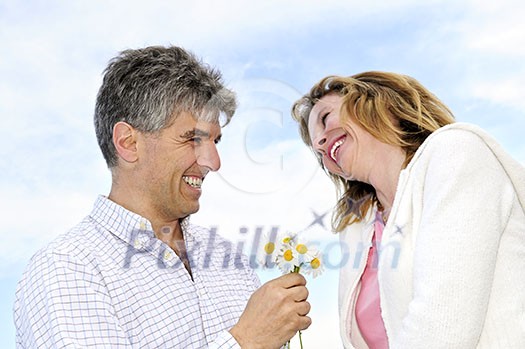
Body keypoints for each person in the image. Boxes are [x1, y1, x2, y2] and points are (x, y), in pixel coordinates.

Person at [14, 45, 311, 348]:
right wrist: (246, 341)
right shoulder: (67, 269)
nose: (213, 162)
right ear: (129, 143)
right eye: (193, 138)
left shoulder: (227, 258)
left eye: (215, 141)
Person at [291, 71, 525, 348]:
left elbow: (443, 328)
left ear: (374, 100)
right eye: (316, 149)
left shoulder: (456, 152)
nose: (320, 144)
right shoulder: (358, 226)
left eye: (325, 118)